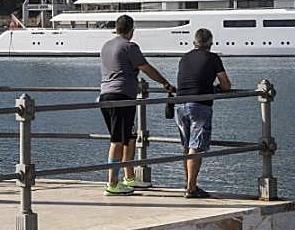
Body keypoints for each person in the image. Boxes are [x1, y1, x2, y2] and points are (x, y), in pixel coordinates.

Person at [98, 14, 175, 195]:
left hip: (106, 95)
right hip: (121, 97)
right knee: (117, 140)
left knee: (129, 137)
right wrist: (165, 84)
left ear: (116, 28)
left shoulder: (106, 46)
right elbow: (146, 68)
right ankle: (112, 183)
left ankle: (129, 178)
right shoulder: (130, 46)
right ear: (132, 30)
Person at [174, 27, 231, 199]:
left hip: (179, 104)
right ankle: (191, 189)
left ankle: (189, 183)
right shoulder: (213, 58)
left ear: (194, 43)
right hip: (200, 104)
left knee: (187, 146)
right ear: (210, 44)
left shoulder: (185, 57)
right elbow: (226, 84)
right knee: (195, 147)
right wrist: (216, 88)